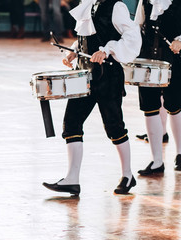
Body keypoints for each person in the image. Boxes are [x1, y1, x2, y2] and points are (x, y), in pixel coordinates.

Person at [42, 0, 142, 195]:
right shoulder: (89, 4)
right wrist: (74, 52)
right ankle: (72, 179)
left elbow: (132, 37)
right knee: (71, 123)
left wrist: (108, 49)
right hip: (85, 75)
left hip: (108, 76)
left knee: (114, 126)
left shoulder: (116, 7)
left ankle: (128, 175)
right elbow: (86, 37)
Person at [135, 0, 181, 175]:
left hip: (174, 59)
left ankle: (180, 154)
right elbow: (137, 27)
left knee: (175, 105)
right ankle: (156, 161)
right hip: (147, 59)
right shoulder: (145, 1)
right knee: (149, 107)